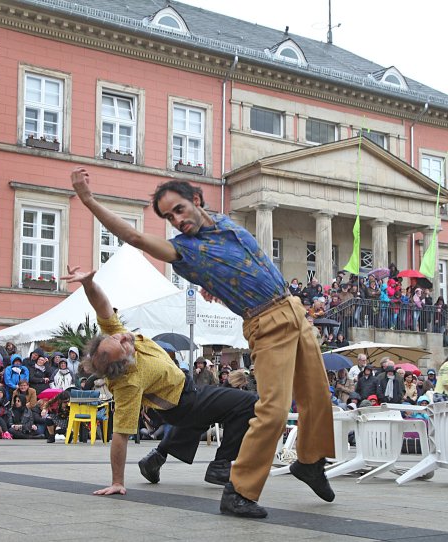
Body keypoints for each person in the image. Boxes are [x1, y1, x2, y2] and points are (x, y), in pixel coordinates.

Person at [71, 169, 335, 518]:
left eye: (179, 209)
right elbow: (134, 237)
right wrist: (88, 200)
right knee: (270, 408)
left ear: (196, 200)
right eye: (168, 217)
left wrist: (219, 285)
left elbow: (245, 265)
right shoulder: (185, 252)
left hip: (293, 309)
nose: (176, 221)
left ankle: (311, 462)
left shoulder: (225, 222)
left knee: (317, 394)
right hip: (266, 323)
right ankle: (239, 491)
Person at [62, 265, 259, 505]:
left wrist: (88, 284)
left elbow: (101, 306)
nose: (124, 337)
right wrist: (117, 481)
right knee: (248, 403)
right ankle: (221, 465)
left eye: (116, 337)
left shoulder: (115, 335)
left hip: (182, 401)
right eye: (122, 345)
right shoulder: (128, 383)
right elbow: (120, 435)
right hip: (184, 402)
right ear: (122, 364)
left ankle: (155, 458)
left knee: (201, 416)